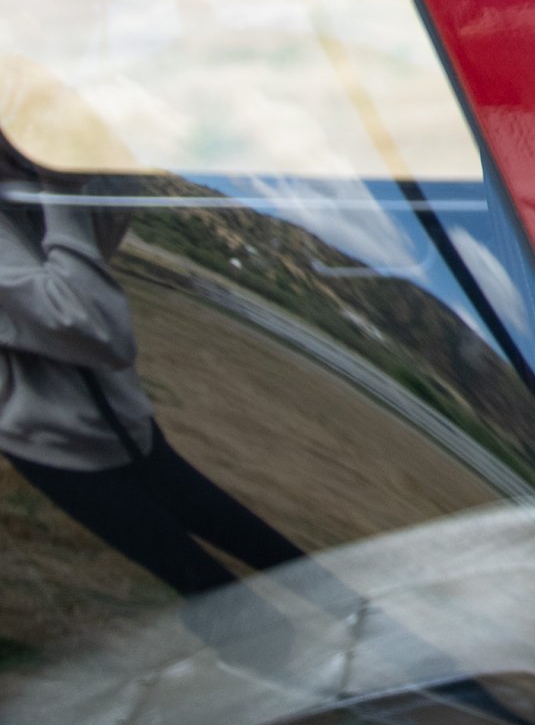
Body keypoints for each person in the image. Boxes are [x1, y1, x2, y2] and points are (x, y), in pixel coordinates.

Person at [0, 187, 306, 597]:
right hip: (57, 452)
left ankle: (375, 632)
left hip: (130, 429)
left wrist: (95, 181)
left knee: (280, 558)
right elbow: (91, 325)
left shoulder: (16, 201)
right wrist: (62, 191)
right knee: (219, 596)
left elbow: (88, 260)